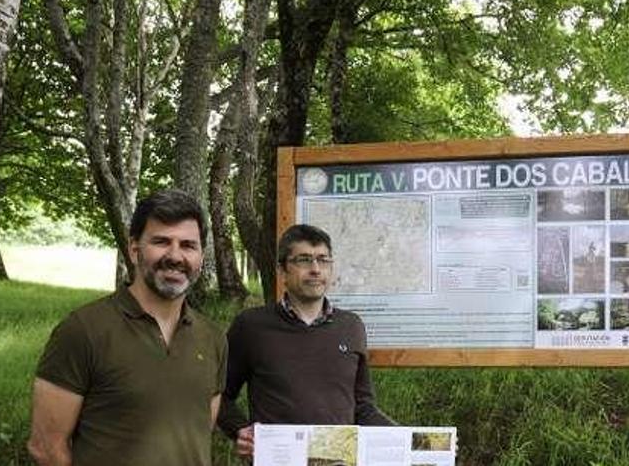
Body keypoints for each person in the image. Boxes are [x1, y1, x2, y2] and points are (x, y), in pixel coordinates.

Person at [27, 189, 227, 466]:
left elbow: (199, 431)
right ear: (134, 250)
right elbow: (46, 447)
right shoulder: (83, 330)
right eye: (161, 242)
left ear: (201, 257)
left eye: (188, 245)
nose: (175, 256)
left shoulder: (213, 339)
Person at [218, 224, 394, 456]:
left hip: (338, 459)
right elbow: (218, 394)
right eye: (303, 260)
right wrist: (240, 430)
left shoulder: (351, 326)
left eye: (323, 260)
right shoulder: (251, 326)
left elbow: (364, 407)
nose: (315, 269)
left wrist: (410, 440)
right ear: (282, 270)